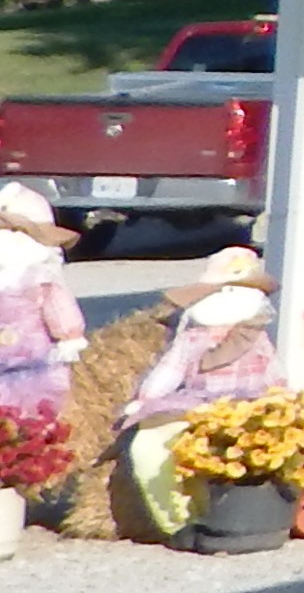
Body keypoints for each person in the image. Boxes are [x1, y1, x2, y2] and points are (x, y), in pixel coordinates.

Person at [117, 249, 278, 542]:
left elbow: (274, 375)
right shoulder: (194, 333)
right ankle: (178, 523)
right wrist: (145, 399)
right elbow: (171, 367)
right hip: (194, 402)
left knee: (247, 454)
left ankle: (228, 520)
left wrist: (283, 402)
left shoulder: (257, 335)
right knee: (149, 448)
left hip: (248, 405)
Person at [0, 187, 86, 498]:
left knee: (32, 415)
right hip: (25, 358)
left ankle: (24, 481)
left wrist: (68, 335)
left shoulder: (40, 273)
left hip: (32, 360)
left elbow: (57, 305)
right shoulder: (37, 268)